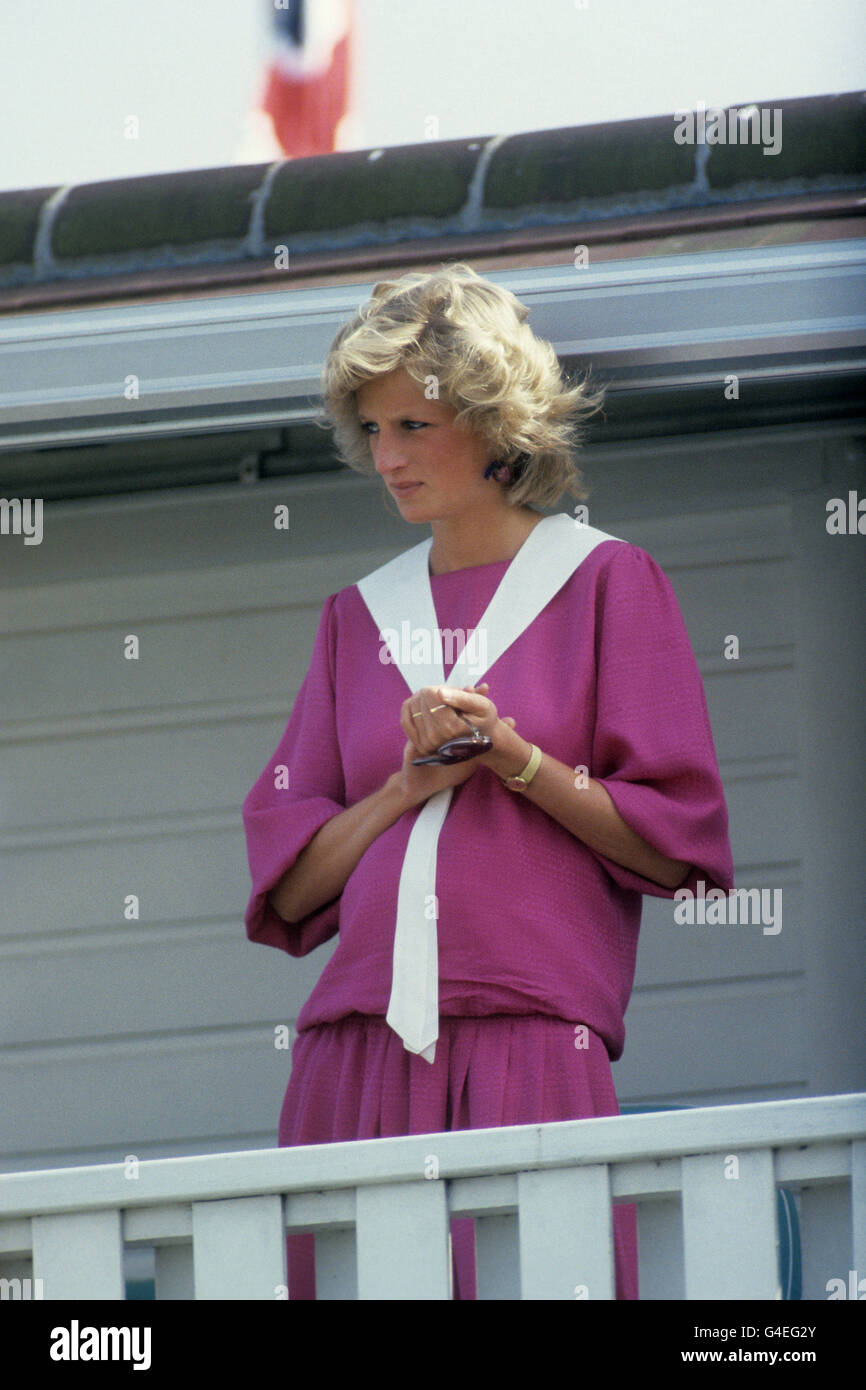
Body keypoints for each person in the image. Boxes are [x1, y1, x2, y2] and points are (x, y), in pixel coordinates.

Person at [241, 262, 734, 1300]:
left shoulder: (605, 580)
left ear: (493, 421)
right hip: (353, 1053)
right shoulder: (355, 616)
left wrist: (513, 760)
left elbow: (672, 846)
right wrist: (402, 790)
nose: (386, 457)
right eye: (371, 431)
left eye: (413, 426)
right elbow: (288, 892)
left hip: (528, 1032)